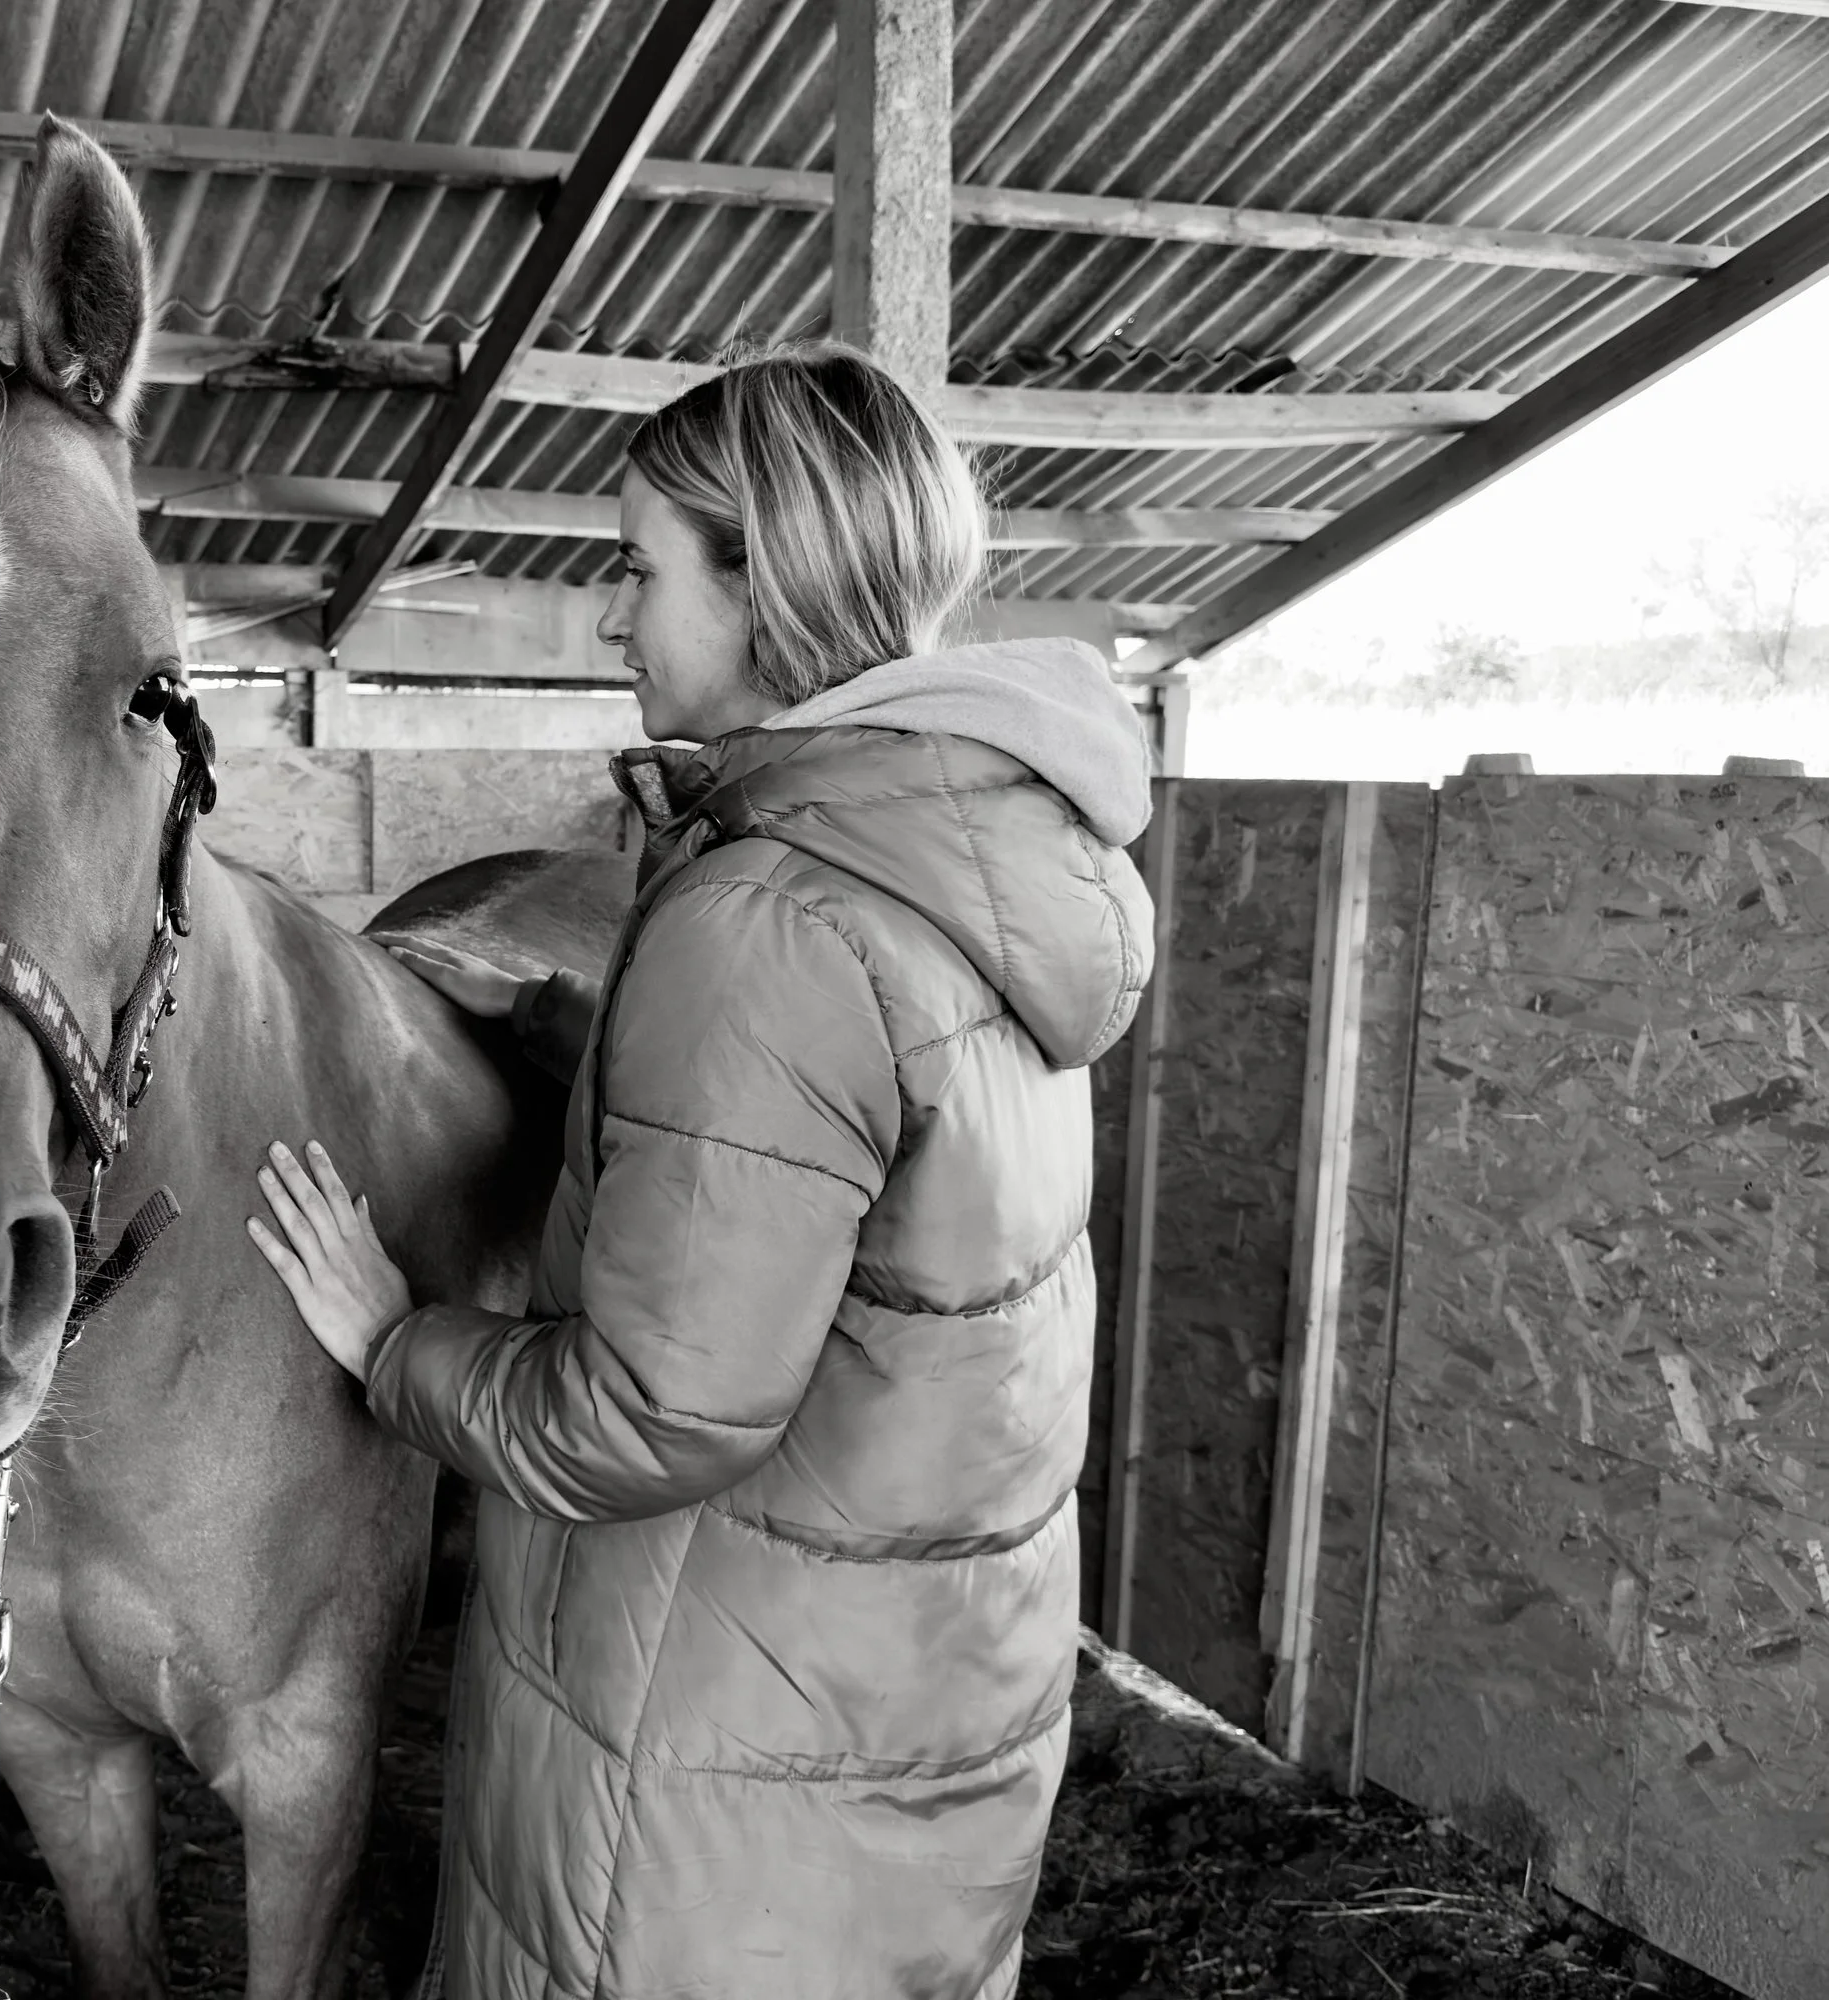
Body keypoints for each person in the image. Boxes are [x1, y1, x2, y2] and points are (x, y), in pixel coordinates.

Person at [246, 344, 1156, 2000]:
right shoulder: (975, 869)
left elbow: (644, 1414)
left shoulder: (768, 925)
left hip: (705, 1804)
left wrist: (394, 1345)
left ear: (766, 585)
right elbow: (841, 1190)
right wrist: (583, 1047)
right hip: (890, 1737)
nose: (608, 615)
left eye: (638, 568)